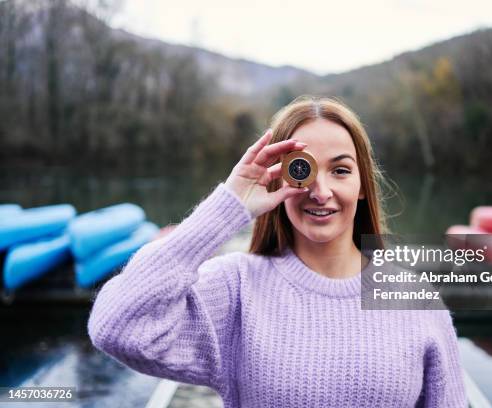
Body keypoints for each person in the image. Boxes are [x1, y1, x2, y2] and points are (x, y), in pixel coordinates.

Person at [88, 96, 467, 407]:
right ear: (280, 179)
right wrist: (229, 206)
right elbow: (116, 327)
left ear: (363, 184)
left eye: (340, 170)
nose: (320, 192)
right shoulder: (236, 288)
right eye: (302, 170)